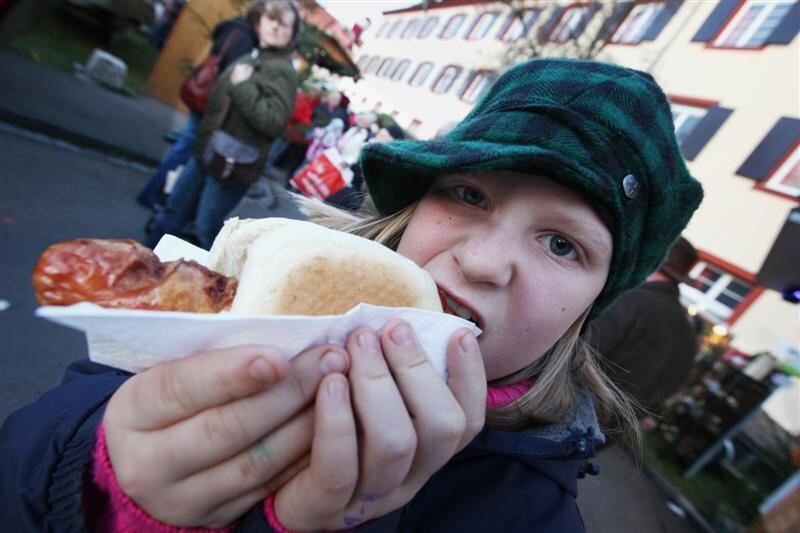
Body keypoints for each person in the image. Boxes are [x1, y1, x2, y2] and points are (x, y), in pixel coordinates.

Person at [1, 58, 704, 531]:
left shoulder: (528, 515)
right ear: (414, 205)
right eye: (467, 193)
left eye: (562, 244)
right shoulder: (236, 307)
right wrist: (104, 484)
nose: (485, 262)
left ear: (588, 310)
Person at [143, 0, 300, 250]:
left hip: (233, 162)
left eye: (284, 24)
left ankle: (217, 280)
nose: (276, 27)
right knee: (174, 208)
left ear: (292, 34)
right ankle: (148, 265)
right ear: (259, 21)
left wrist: (242, 87)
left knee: (207, 228)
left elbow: (273, 123)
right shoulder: (251, 56)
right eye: (272, 19)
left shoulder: (284, 72)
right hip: (206, 151)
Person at [137, 5, 264, 209]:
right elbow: (232, 76)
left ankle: (155, 193)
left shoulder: (232, 27)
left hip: (203, 96)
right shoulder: (245, 38)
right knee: (187, 150)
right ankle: (155, 194)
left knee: (185, 147)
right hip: (211, 103)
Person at [589, 236, 702, 428]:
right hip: (602, 435)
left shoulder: (630, 300)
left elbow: (580, 354)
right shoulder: (689, 335)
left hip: (558, 415)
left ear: (649, 261)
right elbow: (663, 394)